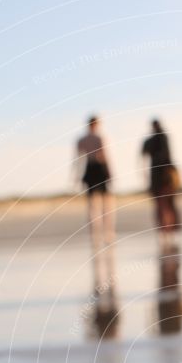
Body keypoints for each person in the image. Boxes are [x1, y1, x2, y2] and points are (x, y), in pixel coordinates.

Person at [76, 115, 115, 291]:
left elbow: (78, 161)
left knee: (93, 207)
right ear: (96, 124)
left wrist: (77, 177)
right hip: (98, 169)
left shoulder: (82, 140)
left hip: (89, 171)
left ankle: (96, 237)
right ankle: (107, 234)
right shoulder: (99, 138)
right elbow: (104, 155)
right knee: (106, 205)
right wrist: (110, 173)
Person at [142, 120, 181, 251]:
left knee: (161, 206)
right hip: (166, 176)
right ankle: (169, 233)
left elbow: (142, 157)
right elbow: (169, 156)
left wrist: (144, 174)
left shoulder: (150, 141)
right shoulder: (164, 137)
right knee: (168, 206)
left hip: (157, 177)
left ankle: (164, 234)